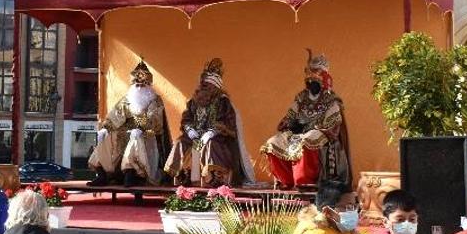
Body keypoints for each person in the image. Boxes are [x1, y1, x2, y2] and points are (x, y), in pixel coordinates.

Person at [260, 51, 352, 189]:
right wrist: (290, 123)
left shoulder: (331, 99)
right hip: (299, 132)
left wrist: (316, 127)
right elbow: (290, 116)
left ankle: (305, 182)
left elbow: (332, 125)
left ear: (322, 81)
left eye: (314, 81)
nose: (310, 83)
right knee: (272, 143)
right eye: (308, 81)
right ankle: (286, 180)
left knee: (308, 140)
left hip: (321, 133)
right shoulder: (301, 97)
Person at [163, 58, 250, 187]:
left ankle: (213, 178)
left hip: (218, 139)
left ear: (215, 87)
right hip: (195, 137)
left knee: (210, 144)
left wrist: (211, 132)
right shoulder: (193, 101)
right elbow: (187, 118)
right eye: (202, 85)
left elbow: (227, 123)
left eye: (207, 86)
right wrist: (189, 130)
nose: (203, 87)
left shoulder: (222, 102)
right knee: (180, 142)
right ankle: (184, 175)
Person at [86, 59, 171, 188]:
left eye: (143, 85)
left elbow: (155, 122)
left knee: (135, 137)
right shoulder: (127, 99)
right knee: (108, 136)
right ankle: (102, 173)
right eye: (137, 85)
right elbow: (115, 115)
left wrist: (140, 127)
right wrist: (106, 128)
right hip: (125, 132)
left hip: (148, 133)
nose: (139, 88)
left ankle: (131, 173)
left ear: (149, 86)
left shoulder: (155, 100)